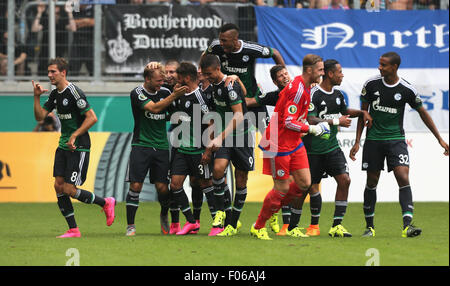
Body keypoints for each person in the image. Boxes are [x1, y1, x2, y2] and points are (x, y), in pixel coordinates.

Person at [349, 52, 449, 238]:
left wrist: (439, 139)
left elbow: (423, 114)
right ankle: (369, 227)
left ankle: (407, 225)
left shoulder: (406, 89)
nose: (380, 67)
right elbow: (363, 114)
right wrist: (357, 142)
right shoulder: (371, 84)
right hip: (374, 141)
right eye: (379, 64)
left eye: (384, 65)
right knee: (372, 182)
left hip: (396, 139)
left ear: (394, 67)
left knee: (403, 177)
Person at [32, 57, 116, 238]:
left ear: (63, 72)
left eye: (53, 71)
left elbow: (92, 118)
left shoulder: (75, 93)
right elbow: (40, 117)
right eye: (48, 72)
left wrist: (75, 135)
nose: (49, 75)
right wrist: (37, 97)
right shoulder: (55, 94)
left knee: (69, 190)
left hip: (79, 147)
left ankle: (105, 203)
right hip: (64, 145)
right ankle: (73, 229)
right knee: (58, 186)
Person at [250, 54, 330, 240]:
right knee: (281, 189)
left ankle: (273, 208)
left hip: (293, 142)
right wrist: (312, 129)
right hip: (278, 142)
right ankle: (259, 225)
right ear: (309, 70)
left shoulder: (306, 86)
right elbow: (288, 122)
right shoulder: (298, 90)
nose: (323, 73)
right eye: (320, 70)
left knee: (304, 183)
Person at [294, 59, 372, 238]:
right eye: (340, 72)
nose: (342, 75)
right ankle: (293, 226)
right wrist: (336, 121)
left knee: (345, 180)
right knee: (304, 188)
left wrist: (362, 112)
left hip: (332, 148)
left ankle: (337, 225)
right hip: (313, 150)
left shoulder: (338, 94)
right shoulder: (313, 93)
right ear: (330, 74)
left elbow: (345, 112)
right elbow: (310, 120)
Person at [125, 62, 188, 236]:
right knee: (135, 185)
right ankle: (131, 225)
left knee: (162, 188)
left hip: (161, 146)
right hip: (141, 145)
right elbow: (154, 108)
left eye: (162, 80)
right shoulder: (137, 93)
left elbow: (171, 111)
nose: (161, 84)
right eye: (158, 81)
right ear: (147, 79)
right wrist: (173, 96)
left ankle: (164, 213)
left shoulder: (166, 92)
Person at [200, 54, 254, 237]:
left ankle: (233, 222)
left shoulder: (230, 85)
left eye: (209, 73)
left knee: (240, 180)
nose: (207, 77)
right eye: (204, 74)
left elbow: (239, 116)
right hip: (225, 138)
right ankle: (222, 211)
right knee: (218, 170)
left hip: (242, 137)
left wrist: (219, 138)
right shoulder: (213, 88)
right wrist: (210, 146)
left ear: (217, 68)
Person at [203, 23, 285, 134]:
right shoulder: (216, 46)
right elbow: (205, 56)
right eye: (220, 40)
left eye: (224, 41)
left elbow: (275, 53)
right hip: (229, 100)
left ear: (235, 39)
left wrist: (282, 79)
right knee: (227, 134)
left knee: (268, 135)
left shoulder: (250, 49)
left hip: (251, 98)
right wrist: (204, 77)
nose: (221, 43)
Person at [168, 62, 216, 235]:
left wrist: (208, 150)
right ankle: (191, 222)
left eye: (179, 78)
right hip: (182, 150)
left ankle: (218, 224)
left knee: (205, 184)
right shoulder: (180, 95)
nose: (177, 81)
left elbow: (211, 123)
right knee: (175, 185)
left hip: (198, 150)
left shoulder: (200, 97)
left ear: (187, 78)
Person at [245, 64, 293, 235]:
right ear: (275, 81)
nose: (285, 77)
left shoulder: (301, 90)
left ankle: (277, 216)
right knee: (282, 184)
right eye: (280, 76)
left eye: (285, 73)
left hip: (296, 142)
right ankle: (281, 221)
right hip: (277, 142)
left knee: (293, 183)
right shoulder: (274, 96)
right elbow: (250, 102)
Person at [31, 1, 76, 76]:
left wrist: (69, 12)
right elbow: (34, 29)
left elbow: (73, 28)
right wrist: (39, 12)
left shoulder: (63, 20)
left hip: (60, 54)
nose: (55, 15)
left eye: (57, 13)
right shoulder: (46, 19)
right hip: (45, 54)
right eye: (53, 12)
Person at [70, 4, 95, 76]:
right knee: (73, 68)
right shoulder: (76, 7)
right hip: (76, 40)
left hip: (90, 40)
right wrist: (86, 21)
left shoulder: (94, 6)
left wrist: (79, 23)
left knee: (92, 68)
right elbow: (72, 23)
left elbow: (94, 22)